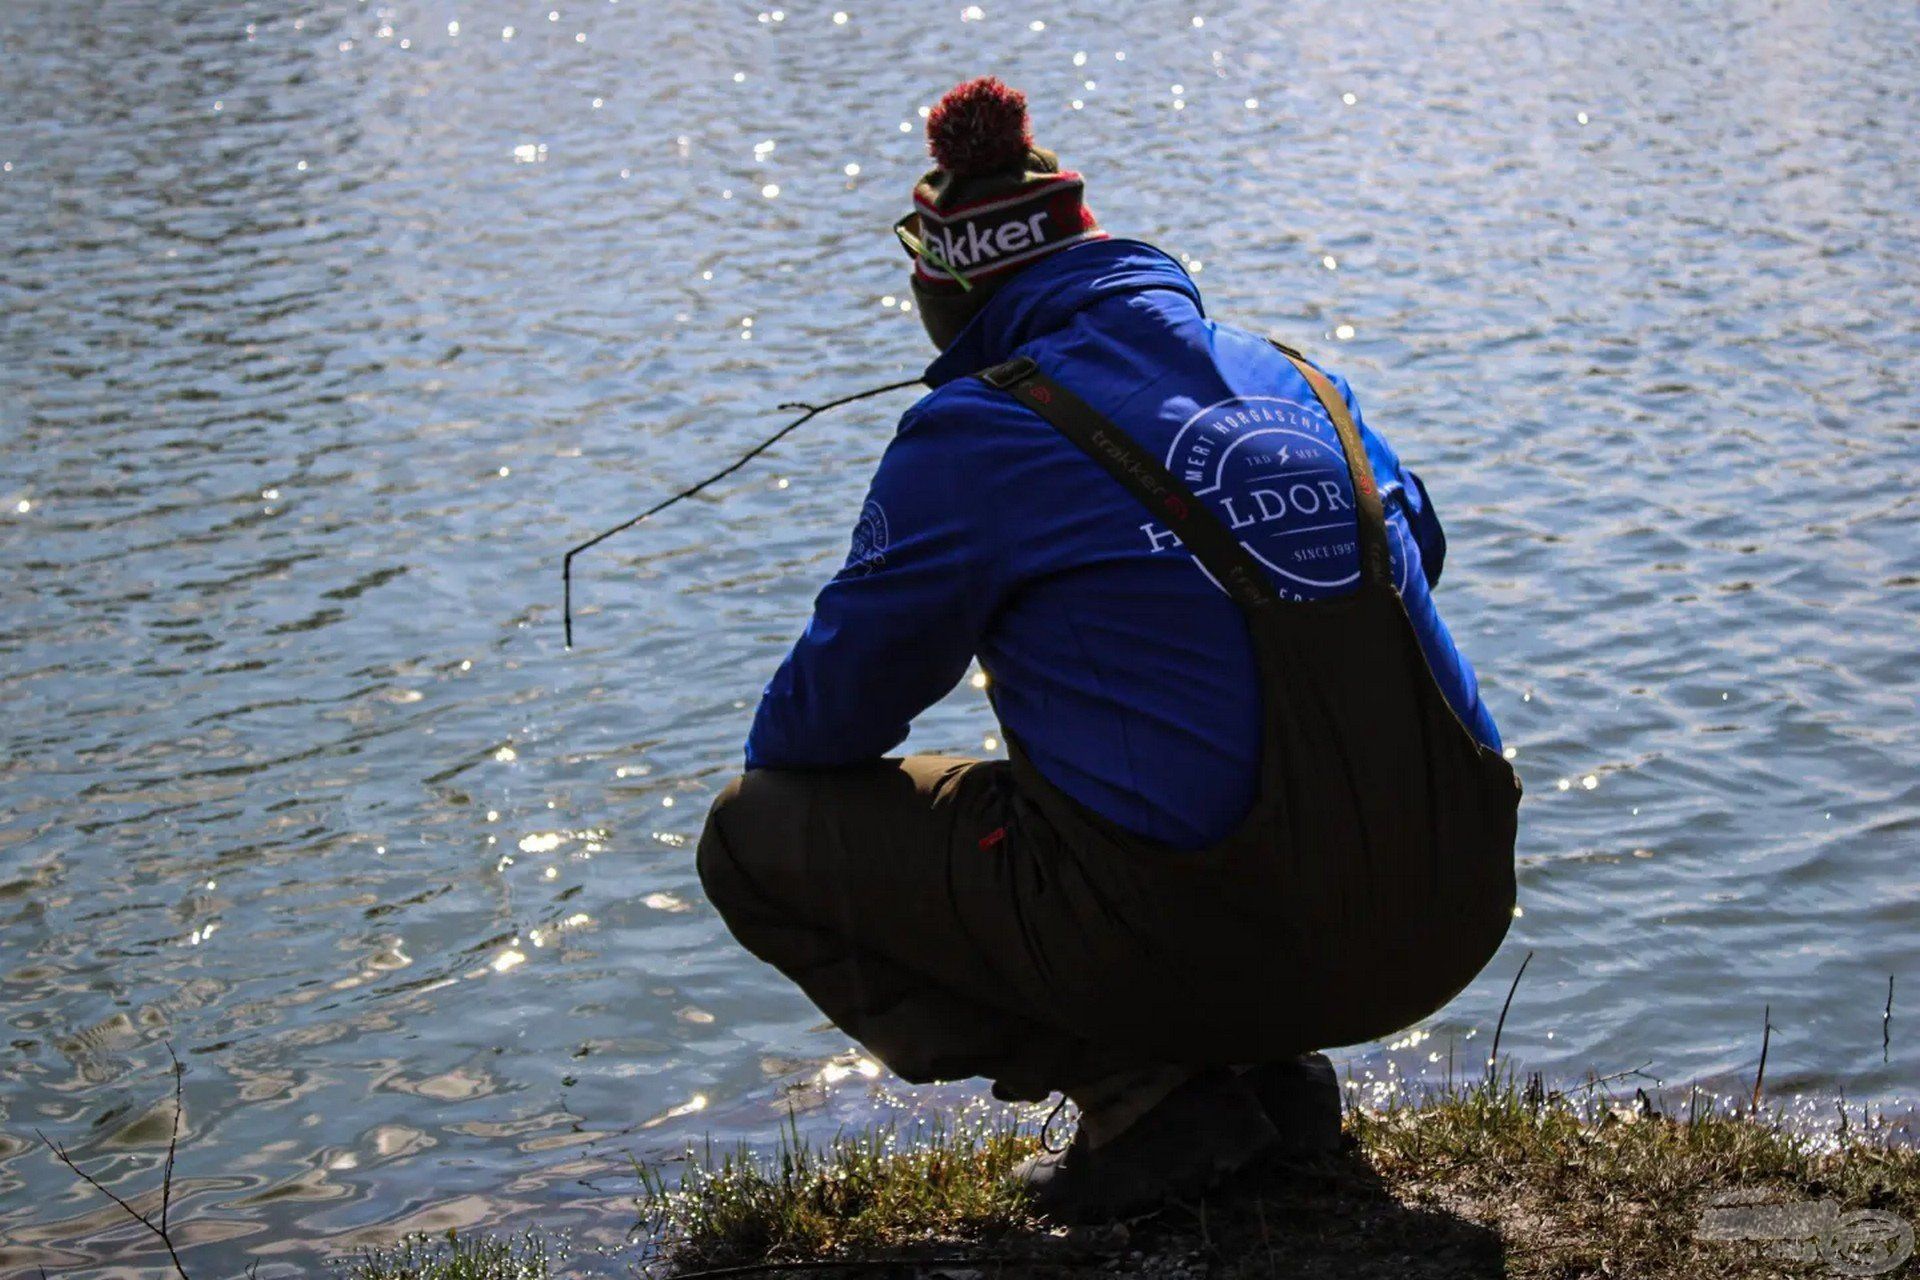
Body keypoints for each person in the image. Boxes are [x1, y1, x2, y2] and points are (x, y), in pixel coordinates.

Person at [696, 76, 1519, 1219]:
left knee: (751, 833)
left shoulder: (975, 432)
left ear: (949, 300)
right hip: (1456, 905)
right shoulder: (1303, 377)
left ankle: (1150, 1093)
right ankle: (1267, 1072)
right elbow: (1415, 552)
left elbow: (816, 729)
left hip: (1219, 931)